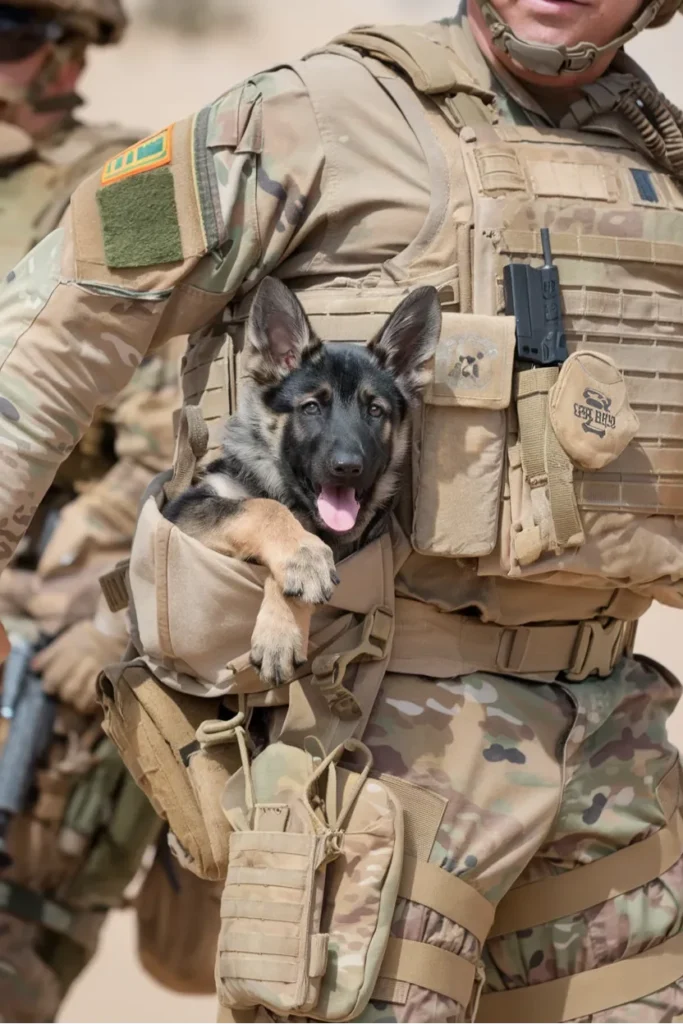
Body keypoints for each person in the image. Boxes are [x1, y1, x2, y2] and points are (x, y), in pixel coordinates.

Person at [1, 0, 683, 1021]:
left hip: (612, 751)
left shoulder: (653, 150)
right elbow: (61, 327)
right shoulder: (314, 116)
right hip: (372, 746)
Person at [0, 2, 219, 1019]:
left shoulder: (128, 188)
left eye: (16, 29)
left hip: (37, 621)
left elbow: (175, 430)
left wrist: (93, 604)